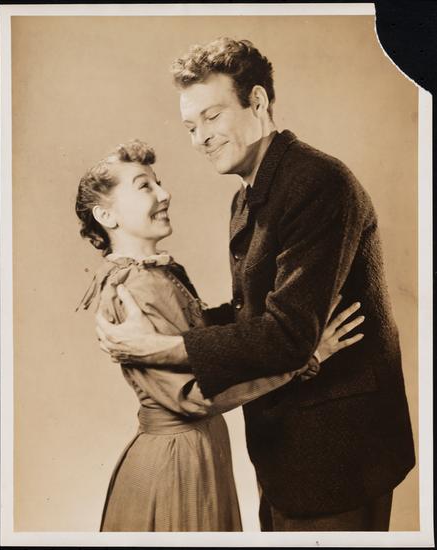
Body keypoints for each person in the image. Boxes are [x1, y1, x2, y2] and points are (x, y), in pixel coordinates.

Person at [96, 38, 416, 531]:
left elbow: (288, 334)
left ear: (259, 101)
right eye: (191, 126)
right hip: (288, 450)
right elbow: (255, 314)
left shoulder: (316, 181)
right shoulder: (250, 194)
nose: (200, 138)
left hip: (337, 461)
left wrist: (158, 346)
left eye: (212, 116)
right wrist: (168, 329)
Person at [75, 139, 363, 532]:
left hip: (198, 451)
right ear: (106, 215)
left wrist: (289, 324)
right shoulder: (133, 286)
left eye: (159, 182)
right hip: (177, 464)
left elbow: (207, 341)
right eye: (144, 186)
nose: (164, 194)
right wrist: (303, 360)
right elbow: (192, 398)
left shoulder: (156, 274)